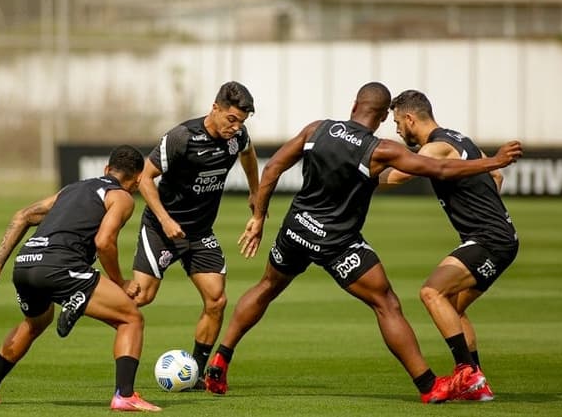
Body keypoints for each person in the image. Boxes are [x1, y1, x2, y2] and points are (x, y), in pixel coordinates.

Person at [204, 82, 522, 403]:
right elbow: (439, 167)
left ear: (355, 104)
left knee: (266, 287)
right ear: (384, 116)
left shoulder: (318, 129)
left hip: (296, 228)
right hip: (338, 243)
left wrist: (259, 217)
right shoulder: (381, 150)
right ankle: (429, 386)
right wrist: (493, 162)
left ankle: (220, 361)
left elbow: (272, 168)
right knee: (386, 304)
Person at [0, 145, 161, 412]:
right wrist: (120, 283)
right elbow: (104, 242)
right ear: (138, 180)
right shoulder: (121, 197)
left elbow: (23, 215)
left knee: (36, 322)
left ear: (106, 169)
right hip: (61, 266)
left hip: (24, 265)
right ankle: (124, 395)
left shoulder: (71, 189)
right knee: (130, 318)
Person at [380, 89, 520, 401]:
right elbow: (496, 175)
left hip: (489, 240)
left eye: (397, 123)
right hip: (499, 236)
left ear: (410, 118)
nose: (398, 130)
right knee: (452, 307)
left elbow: (399, 175)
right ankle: (477, 384)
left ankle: (465, 372)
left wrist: (355, 176)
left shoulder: (436, 148)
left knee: (431, 292)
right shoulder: (461, 139)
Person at [132, 81, 260, 390]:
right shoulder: (182, 138)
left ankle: (195, 374)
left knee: (216, 300)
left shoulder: (238, 137)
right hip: (162, 229)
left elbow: (249, 155)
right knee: (142, 296)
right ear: (214, 108)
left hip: (200, 232)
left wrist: (255, 193)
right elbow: (144, 178)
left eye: (241, 121)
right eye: (231, 118)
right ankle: (84, 298)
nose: (236, 127)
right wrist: (164, 219)